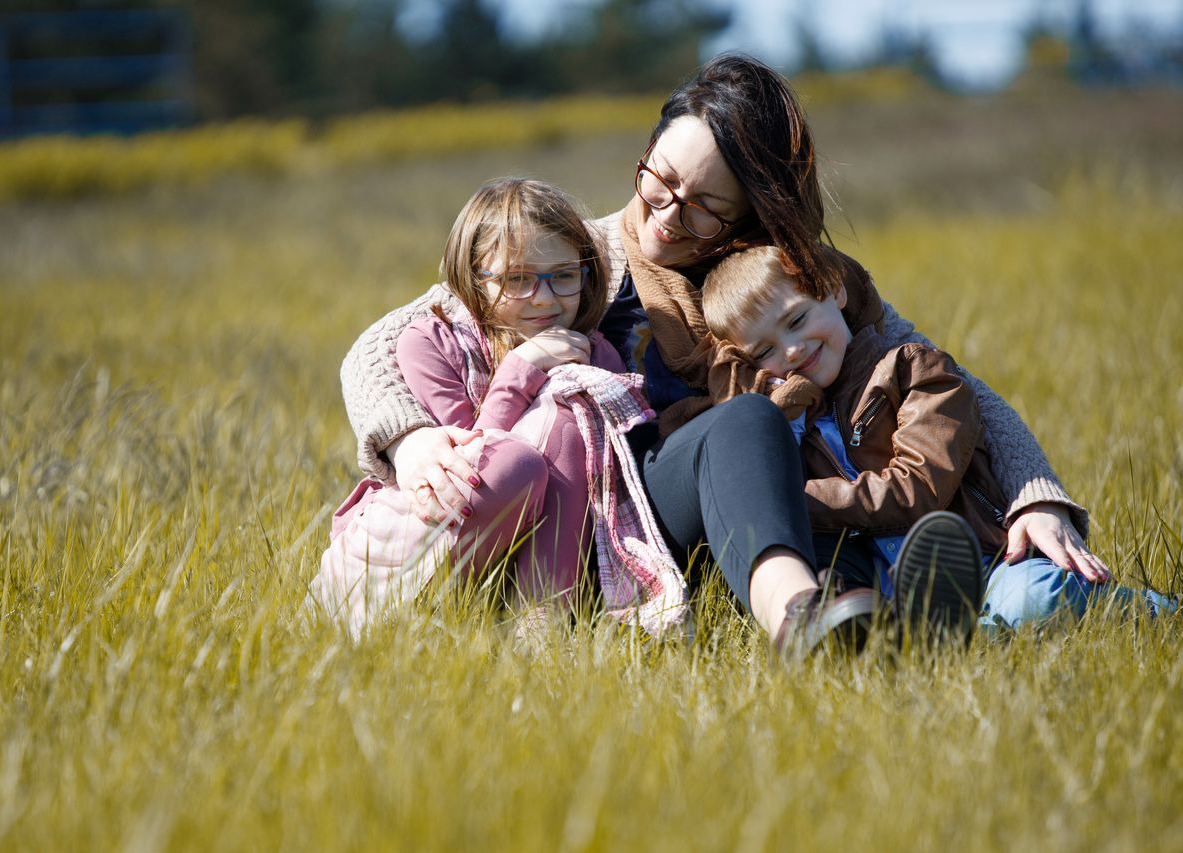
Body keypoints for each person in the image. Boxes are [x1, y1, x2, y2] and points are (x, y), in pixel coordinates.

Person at [339, 54, 1108, 657]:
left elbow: (936, 373)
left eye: (705, 208)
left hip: (741, 524)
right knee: (744, 423)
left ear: (753, 216)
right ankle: (821, 617)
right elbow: (379, 343)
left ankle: (826, 624)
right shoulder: (582, 256)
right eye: (659, 180)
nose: (668, 217)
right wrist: (411, 443)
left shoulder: (777, 286)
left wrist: (1034, 491)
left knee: (752, 430)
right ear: (644, 155)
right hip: (595, 521)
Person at [701, 245, 1177, 636]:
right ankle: (951, 635)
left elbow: (916, 489)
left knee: (1033, 601)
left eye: (798, 319)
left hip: (989, 562)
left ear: (834, 290)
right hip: (887, 592)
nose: (791, 349)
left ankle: (1160, 613)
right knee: (867, 638)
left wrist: (782, 501)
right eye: (764, 350)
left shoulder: (914, 370)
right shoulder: (790, 424)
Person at [310, 178, 688, 637]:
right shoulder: (431, 343)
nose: (545, 298)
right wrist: (522, 368)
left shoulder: (594, 353)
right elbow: (474, 461)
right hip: (432, 521)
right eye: (517, 279)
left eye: (563, 276)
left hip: (533, 547)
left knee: (571, 417)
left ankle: (540, 622)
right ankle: (374, 608)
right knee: (515, 463)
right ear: (473, 278)